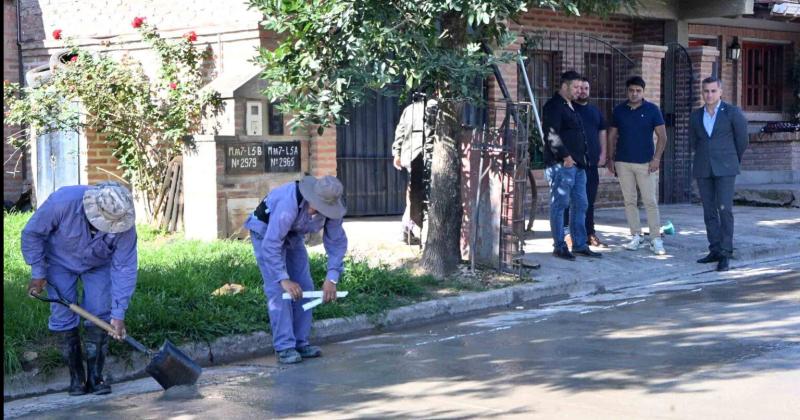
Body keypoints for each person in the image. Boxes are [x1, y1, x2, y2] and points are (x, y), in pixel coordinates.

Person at [22, 181, 138, 396]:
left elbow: (125, 268)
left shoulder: (124, 221)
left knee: (101, 312)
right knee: (63, 315)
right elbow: (32, 233)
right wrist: (38, 273)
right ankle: (76, 378)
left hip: (98, 263)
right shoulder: (63, 202)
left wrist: (118, 313)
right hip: (58, 262)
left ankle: (95, 378)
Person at [245, 175, 348, 364]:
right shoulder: (288, 203)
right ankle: (284, 347)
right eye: (315, 205)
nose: (313, 210)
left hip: (293, 235)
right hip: (266, 233)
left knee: (304, 286)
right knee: (279, 290)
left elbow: (336, 243)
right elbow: (271, 244)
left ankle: (300, 342)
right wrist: (283, 279)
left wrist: (332, 278)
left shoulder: (333, 211)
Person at [542, 70, 602, 261]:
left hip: (579, 165)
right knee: (560, 205)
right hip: (563, 165)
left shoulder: (571, 106)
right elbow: (551, 134)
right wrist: (566, 157)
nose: (578, 91)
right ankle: (559, 246)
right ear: (564, 86)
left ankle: (579, 244)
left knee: (581, 204)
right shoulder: (554, 106)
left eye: (580, 87)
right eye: (575, 87)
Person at [690, 77, 749, 271]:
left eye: (713, 91)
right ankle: (714, 249)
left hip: (726, 168)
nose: (709, 94)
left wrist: (732, 160)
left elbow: (742, 140)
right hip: (703, 168)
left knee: (724, 209)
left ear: (721, 92)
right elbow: (694, 142)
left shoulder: (732, 113)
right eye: (706, 91)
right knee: (709, 210)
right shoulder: (696, 115)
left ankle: (725, 252)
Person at [607, 76, 668, 255]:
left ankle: (655, 238)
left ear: (643, 92)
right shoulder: (619, 111)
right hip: (623, 162)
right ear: (627, 91)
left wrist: (656, 159)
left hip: (646, 163)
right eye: (631, 90)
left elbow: (662, 137)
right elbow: (611, 136)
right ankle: (636, 235)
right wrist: (610, 159)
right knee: (629, 201)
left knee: (650, 201)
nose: (634, 94)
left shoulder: (652, 110)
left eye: (638, 91)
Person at [565, 77, 608, 248]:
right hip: (572, 164)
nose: (582, 91)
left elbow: (602, 132)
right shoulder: (568, 109)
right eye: (580, 88)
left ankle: (589, 233)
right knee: (569, 200)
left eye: (586, 88)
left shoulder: (595, 111)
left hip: (591, 164)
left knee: (589, 200)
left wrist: (604, 154)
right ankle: (569, 234)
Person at [392, 94, 437, 244]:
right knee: (420, 193)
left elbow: (400, 132)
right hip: (424, 156)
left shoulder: (409, 109)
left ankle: (407, 229)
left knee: (413, 191)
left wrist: (397, 153)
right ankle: (408, 228)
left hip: (409, 155)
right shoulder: (434, 107)